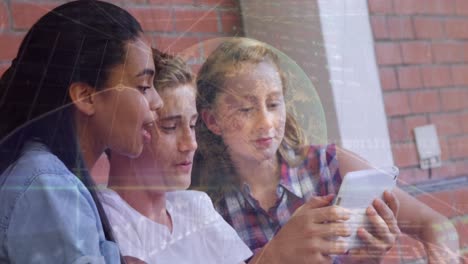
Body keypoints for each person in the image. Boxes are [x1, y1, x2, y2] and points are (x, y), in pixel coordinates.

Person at [193, 37, 459, 263]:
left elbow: (436, 225)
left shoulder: (327, 165)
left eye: (274, 104)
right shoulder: (203, 207)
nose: (266, 122)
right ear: (213, 121)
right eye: (245, 109)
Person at [0, 1, 162, 263]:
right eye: (144, 86)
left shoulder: (51, 178)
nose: (158, 101)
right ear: (86, 96)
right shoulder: (47, 185)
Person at [99, 50, 252, 264]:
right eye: (170, 127)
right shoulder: (104, 218)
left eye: (192, 125)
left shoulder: (196, 206)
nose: (191, 144)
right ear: (125, 129)